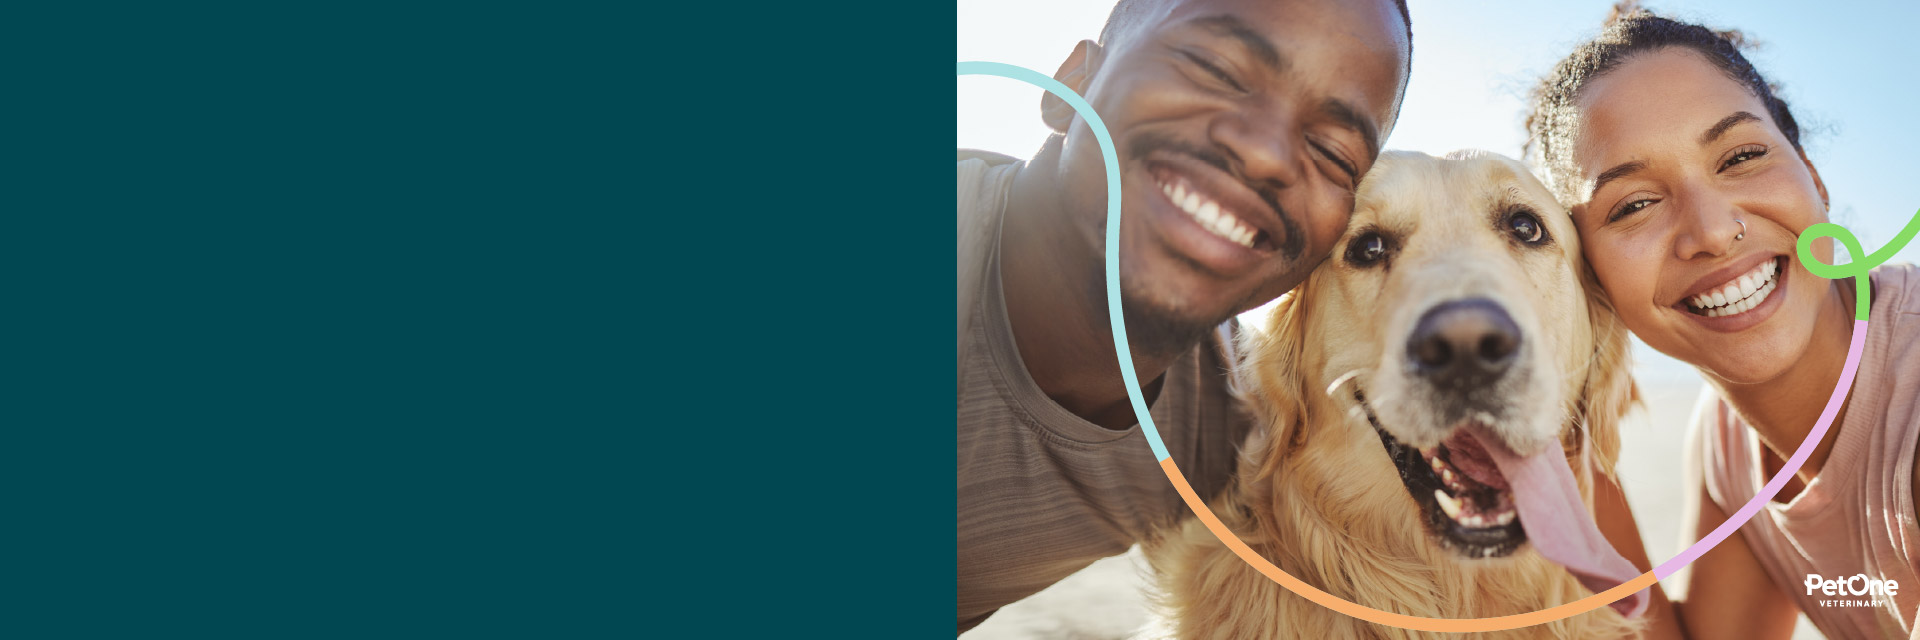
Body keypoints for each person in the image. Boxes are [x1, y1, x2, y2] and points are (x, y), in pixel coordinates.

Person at [957, 0, 1412, 632]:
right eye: (1214, 70)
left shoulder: (1235, 436)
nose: (1267, 155)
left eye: (1333, 154)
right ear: (1072, 87)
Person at [1525, 6, 1920, 639]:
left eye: (1740, 158)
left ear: (1813, 179)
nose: (1711, 230)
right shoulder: (1730, 447)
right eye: (1635, 204)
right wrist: (1562, 436)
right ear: (1590, 280)